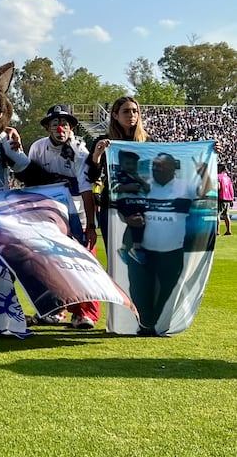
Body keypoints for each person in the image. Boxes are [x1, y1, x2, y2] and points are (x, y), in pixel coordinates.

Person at [26, 104, 99, 329]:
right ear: (48, 127)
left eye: (65, 124)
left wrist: (91, 226)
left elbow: (87, 192)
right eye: (55, 123)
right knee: (51, 265)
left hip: (77, 216)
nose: (60, 128)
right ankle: (55, 310)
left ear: (72, 128)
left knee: (83, 266)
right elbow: (31, 183)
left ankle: (84, 313)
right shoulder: (38, 148)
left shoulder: (80, 151)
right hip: (49, 216)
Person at [126, 152, 214, 335]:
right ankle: (145, 323)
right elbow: (127, 205)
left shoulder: (184, 187)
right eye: (155, 166)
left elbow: (204, 190)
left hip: (173, 252)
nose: (157, 170)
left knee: (164, 291)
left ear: (173, 168)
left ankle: (150, 323)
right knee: (141, 290)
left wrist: (204, 171)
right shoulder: (145, 185)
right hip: (145, 251)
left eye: (162, 167)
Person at [87, 96, 149, 246]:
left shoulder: (148, 141)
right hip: (112, 206)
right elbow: (91, 176)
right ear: (115, 115)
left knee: (142, 257)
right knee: (115, 260)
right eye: (126, 111)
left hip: (142, 206)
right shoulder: (103, 141)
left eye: (135, 111)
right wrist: (97, 155)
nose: (131, 115)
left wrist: (209, 150)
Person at [218, 164, 234, 235]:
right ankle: (228, 231)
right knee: (226, 215)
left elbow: (218, 187)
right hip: (228, 198)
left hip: (221, 198)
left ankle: (217, 231)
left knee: (217, 215)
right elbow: (231, 189)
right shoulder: (228, 178)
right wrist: (232, 199)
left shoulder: (218, 177)